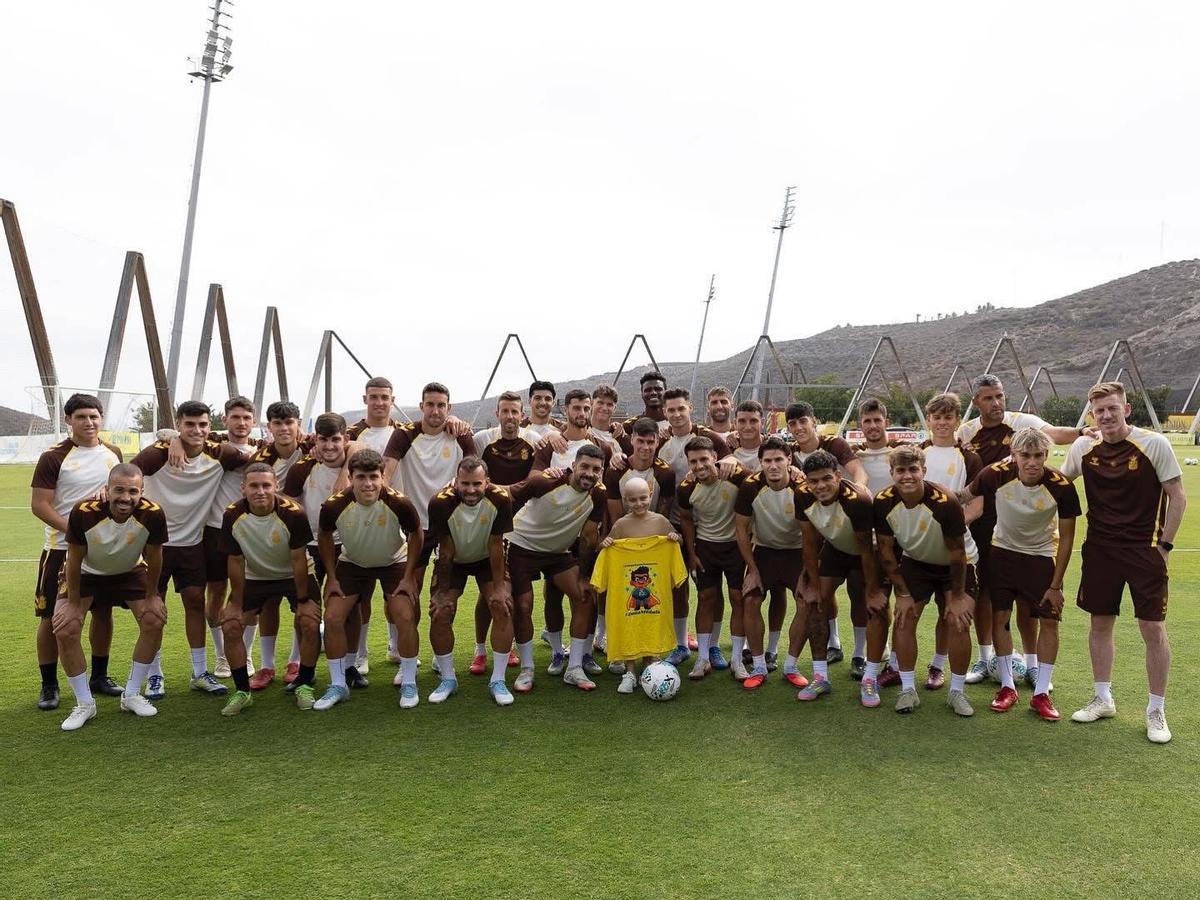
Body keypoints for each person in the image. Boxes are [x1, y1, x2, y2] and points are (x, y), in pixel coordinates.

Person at [1060, 382, 1186, 743]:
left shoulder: (1153, 444)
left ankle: (1156, 710)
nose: (1106, 416)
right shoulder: (1084, 446)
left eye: (1112, 408)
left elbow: (1177, 496)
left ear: (1126, 410)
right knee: (1100, 623)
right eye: (1099, 411)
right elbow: (1060, 481)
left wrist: (1164, 547)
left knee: (1152, 629)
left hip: (1144, 551)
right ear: (1092, 415)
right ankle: (1103, 698)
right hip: (1099, 551)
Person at [957, 373, 1092, 686]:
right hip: (983, 522)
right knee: (986, 594)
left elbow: (1053, 434)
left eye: (1000, 396)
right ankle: (984, 657)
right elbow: (963, 481)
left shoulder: (1021, 421)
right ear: (976, 402)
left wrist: (1081, 430)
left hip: (1026, 519)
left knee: (1028, 602)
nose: (997, 403)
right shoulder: (967, 431)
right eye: (989, 398)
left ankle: (1032, 663)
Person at [960, 428, 1080, 720]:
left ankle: (1040, 693)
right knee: (1000, 619)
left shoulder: (1061, 486)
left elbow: (1066, 539)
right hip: (1002, 555)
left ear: (1046, 455)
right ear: (1013, 456)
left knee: (1049, 621)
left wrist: (1056, 585)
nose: (1032, 462)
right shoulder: (995, 474)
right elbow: (962, 495)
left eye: (1038, 455)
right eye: (1025, 455)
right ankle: (1007, 686)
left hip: (1041, 558)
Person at [132, 400, 246, 699]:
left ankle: (199, 672)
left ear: (211, 427)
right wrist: (169, 438)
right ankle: (154, 675)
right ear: (180, 424)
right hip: (155, 546)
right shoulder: (158, 454)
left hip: (192, 544)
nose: (197, 430)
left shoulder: (219, 453)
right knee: (152, 609)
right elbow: (130, 471)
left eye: (203, 425)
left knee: (196, 602)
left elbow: (255, 456)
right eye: (189, 424)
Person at [52, 464, 168, 730]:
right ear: (107, 489)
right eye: (118, 490)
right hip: (86, 572)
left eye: (132, 491)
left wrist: (152, 596)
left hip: (129, 571)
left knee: (154, 619)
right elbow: (74, 558)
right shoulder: (84, 511)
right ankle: (84, 704)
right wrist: (71, 603)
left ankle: (131, 694)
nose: (125, 497)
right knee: (66, 628)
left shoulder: (152, 514)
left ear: (142, 492)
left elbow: (155, 556)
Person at [29, 393, 124, 711]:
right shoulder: (54, 457)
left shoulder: (113, 453)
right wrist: (72, 530)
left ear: (101, 419)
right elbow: (40, 505)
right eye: (81, 416)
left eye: (94, 416)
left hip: (103, 550)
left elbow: (122, 491)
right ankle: (49, 685)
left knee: (103, 611)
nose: (89, 422)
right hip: (60, 549)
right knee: (51, 619)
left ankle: (99, 676)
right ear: (68, 420)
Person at [382, 382, 477, 681]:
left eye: (441, 405)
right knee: (409, 592)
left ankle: (440, 657)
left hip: (450, 526)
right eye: (430, 405)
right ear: (421, 406)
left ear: (449, 408)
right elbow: (385, 473)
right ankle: (405, 654)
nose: (436, 411)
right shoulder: (404, 435)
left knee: (445, 595)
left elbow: (477, 471)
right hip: (415, 527)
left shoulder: (460, 435)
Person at [874, 444, 978, 717]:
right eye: (900, 471)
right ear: (892, 473)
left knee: (957, 621)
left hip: (956, 565)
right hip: (917, 561)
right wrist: (903, 593)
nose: (907, 476)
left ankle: (957, 692)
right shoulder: (883, 501)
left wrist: (956, 598)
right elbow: (885, 551)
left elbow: (958, 554)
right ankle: (908, 689)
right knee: (905, 617)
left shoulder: (945, 502)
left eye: (913, 470)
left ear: (924, 471)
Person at [315, 450, 423, 709]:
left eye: (374, 477)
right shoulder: (334, 505)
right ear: (350, 477)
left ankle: (409, 682)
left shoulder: (399, 503)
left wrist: (409, 577)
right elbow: (324, 535)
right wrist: (331, 577)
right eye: (361, 477)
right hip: (353, 563)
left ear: (383, 477)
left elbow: (417, 534)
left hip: (393, 561)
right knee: (332, 618)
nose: (368, 484)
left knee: (405, 615)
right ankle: (338, 684)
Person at [217, 463, 320, 715]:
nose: (260, 491)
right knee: (231, 625)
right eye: (254, 485)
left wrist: (304, 599)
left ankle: (304, 684)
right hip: (256, 576)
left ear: (276, 486)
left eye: (266, 485)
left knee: (308, 621)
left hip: (295, 574)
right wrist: (235, 603)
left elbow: (298, 559)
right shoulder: (232, 515)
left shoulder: (293, 513)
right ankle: (242, 691)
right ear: (243, 489)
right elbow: (235, 560)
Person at [507, 444, 607, 692]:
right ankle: (527, 669)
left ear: (601, 471)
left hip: (557, 553)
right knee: (523, 604)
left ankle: (574, 668)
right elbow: (506, 496)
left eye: (595, 469)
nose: (589, 473)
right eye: (584, 466)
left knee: (584, 597)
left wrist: (584, 576)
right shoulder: (546, 482)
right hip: (522, 546)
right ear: (573, 466)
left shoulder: (599, 494)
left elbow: (588, 536)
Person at [283, 413, 368, 690]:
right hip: (311, 547)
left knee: (350, 608)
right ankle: (305, 672)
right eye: (323, 440)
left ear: (345, 438)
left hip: (349, 547)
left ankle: (349, 666)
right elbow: (291, 509)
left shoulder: (358, 465)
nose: (329, 446)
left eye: (335, 439)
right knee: (307, 610)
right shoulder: (301, 468)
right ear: (314, 440)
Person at [795, 451, 886, 706]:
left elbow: (866, 550)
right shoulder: (802, 494)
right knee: (815, 601)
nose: (820, 486)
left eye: (826, 478)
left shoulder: (857, 499)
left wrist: (873, 590)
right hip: (837, 547)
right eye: (813, 481)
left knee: (873, 605)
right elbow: (809, 543)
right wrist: (812, 584)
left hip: (869, 551)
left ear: (838, 475)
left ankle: (869, 676)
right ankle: (820, 675)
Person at [782, 400, 868, 665]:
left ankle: (862, 652)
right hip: (814, 529)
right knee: (819, 591)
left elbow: (859, 474)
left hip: (847, 524)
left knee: (860, 590)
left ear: (814, 421)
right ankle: (833, 642)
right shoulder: (790, 452)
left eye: (803, 421)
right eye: (793, 424)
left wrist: (854, 497)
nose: (798, 428)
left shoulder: (834, 445)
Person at [427, 458, 516, 705]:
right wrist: (442, 591)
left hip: (487, 556)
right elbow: (446, 549)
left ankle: (498, 679)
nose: (470, 490)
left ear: (486, 482)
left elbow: (496, 544)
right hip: (454, 558)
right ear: (456, 482)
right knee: (441, 610)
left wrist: (499, 587)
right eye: (464, 484)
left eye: (477, 483)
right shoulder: (440, 502)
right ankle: (448, 679)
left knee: (501, 605)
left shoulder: (500, 498)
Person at [595, 477, 687, 693]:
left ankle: (652, 666)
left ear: (651, 493)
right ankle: (629, 672)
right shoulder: (621, 525)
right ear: (625, 500)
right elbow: (606, 549)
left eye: (643, 498)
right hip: (629, 601)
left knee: (651, 625)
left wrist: (675, 537)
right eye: (633, 500)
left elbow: (679, 541)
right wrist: (606, 543)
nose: (639, 504)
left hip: (656, 597)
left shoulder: (661, 522)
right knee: (630, 628)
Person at [242, 401, 308, 690]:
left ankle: (294, 661)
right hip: (269, 539)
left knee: (302, 604)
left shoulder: (314, 448)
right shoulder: (261, 458)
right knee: (268, 603)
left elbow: (351, 447)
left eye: (289, 422)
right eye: (277, 423)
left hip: (311, 537)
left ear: (298, 424)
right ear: (269, 427)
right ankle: (266, 665)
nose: (284, 429)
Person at [919, 392, 983, 690]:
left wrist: (955, 526)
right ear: (929, 420)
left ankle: (937, 665)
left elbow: (978, 503)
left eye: (948, 417)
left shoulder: (969, 457)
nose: (942, 422)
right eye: (937, 417)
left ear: (958, 420)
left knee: (949, 612)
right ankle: (895, 665)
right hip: (919, 549)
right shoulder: (917, 452)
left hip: (956, 550)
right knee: (908, 611)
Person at [734, 437, 807, 690]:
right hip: (764, 552)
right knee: (751, 599)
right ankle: (759, 665)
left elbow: (812, 533)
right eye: (768, 460)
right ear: (761, 463)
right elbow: (741, 530)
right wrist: (752, 570)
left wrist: (808, 571)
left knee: (806, 601)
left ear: (789, 460)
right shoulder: (750, 486)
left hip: (796, 553)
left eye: (779, 459)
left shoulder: (802, 487)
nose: (773, 465)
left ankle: (790, 665)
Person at [344, 375, 406, 669]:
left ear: (393, 400)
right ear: (365, 399)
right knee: (362, 595)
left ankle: (395, 647)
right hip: (359, 521)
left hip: (395, 521)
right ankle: (361, 655)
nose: (379, 402)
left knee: (396, 592)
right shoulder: (351, 435)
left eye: (385, 397)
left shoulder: (406, 432)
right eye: (374, 397)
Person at [677, 438, 750, 680]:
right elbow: (686, 521)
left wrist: (733, 459)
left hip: (735, 547)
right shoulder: (686, 487)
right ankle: (703, 659)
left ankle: (737, 660)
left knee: (737, 598)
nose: (699, 466)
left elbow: (759, 483)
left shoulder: (735, 476)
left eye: (704, 459)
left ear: (714, 458)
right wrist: (692, 553)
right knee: (706, 598)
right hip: (706, 548)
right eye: (693, 461)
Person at [531, 389, 612, 470]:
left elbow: (609, 480)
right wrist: (547, 475)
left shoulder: (603, 447)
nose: (582, 413)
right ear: (565, 410)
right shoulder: (550, 446)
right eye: (577, 408)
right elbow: (534, 477)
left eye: (586, 409)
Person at [589, 384, 625, 449]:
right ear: (591, 403)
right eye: (600, 403)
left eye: (609, 405)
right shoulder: (580, 431)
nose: (604, 408)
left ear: (615, 409)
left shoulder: (621, 437)